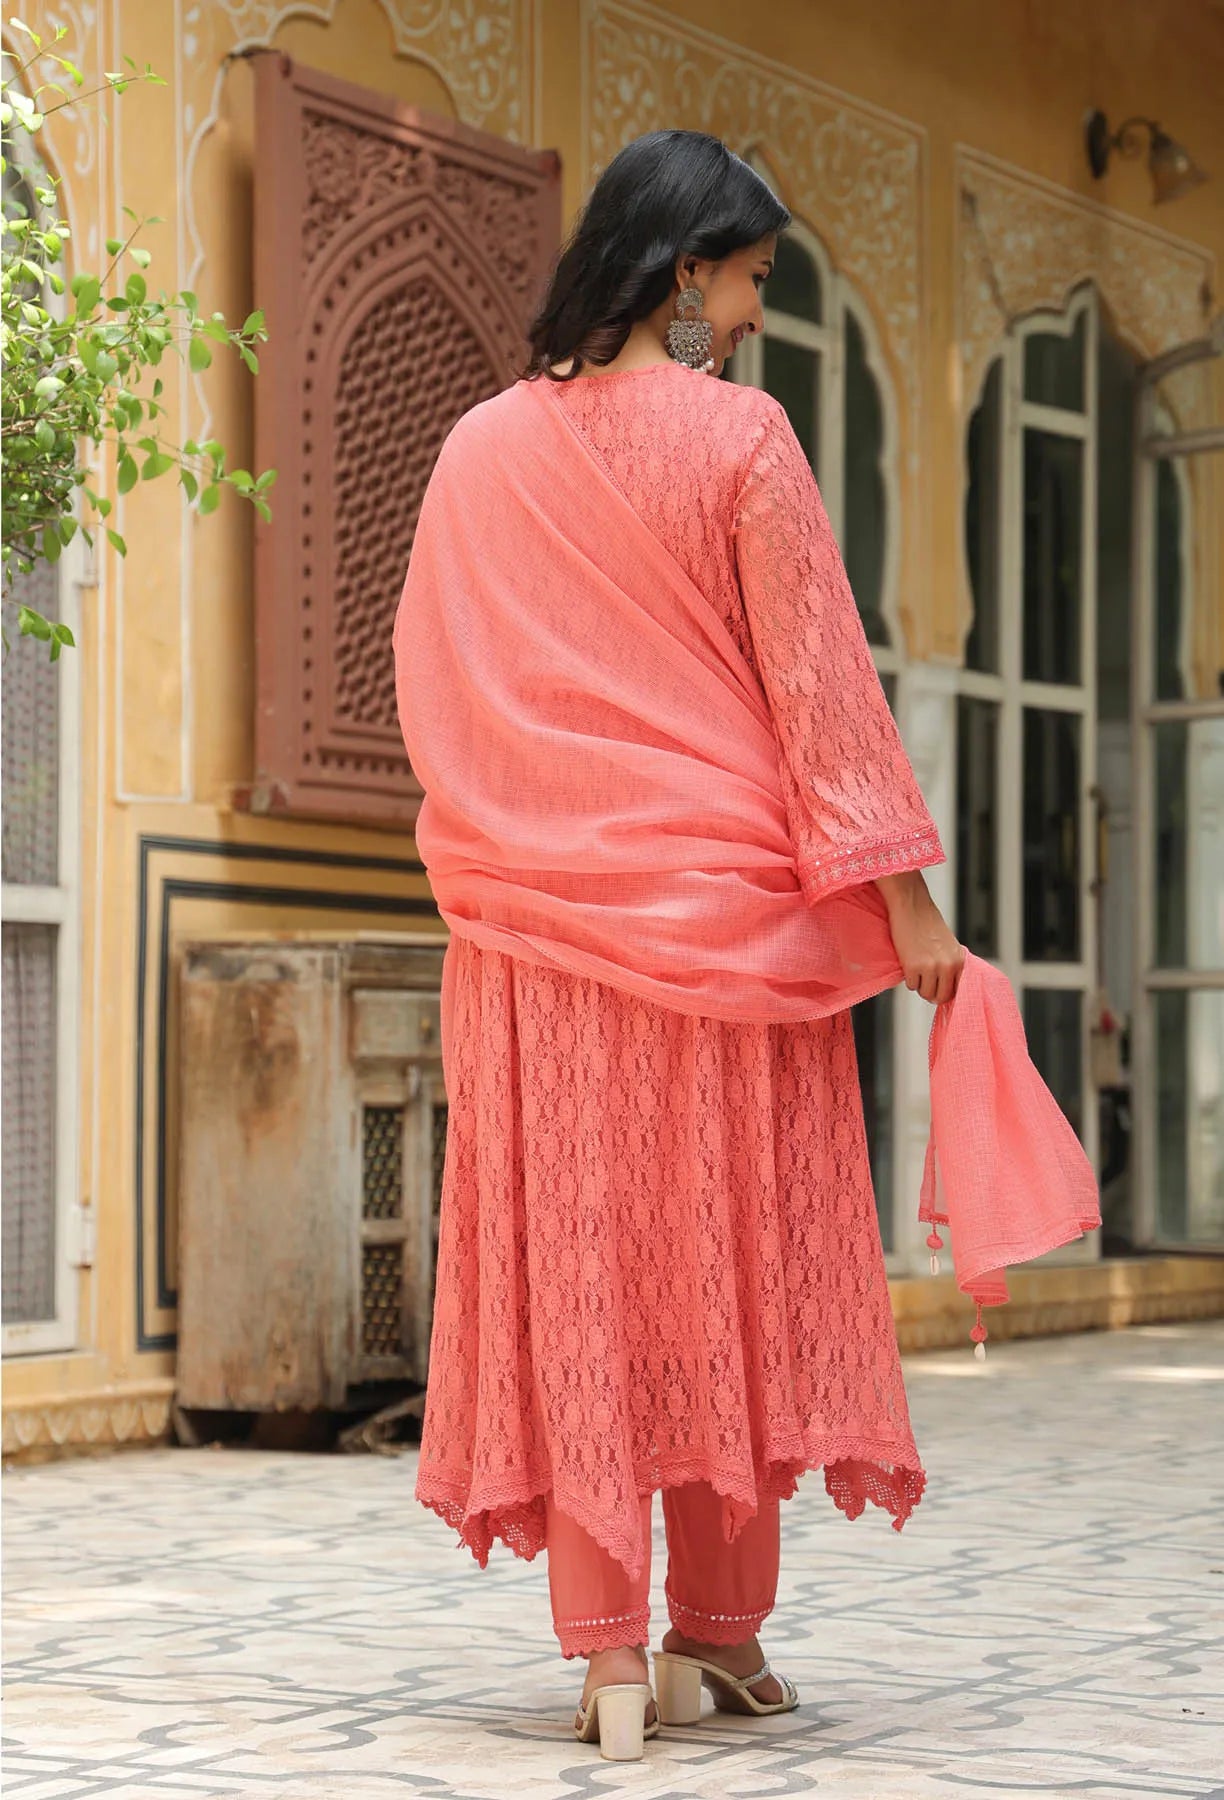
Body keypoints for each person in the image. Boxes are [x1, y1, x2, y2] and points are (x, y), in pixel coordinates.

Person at [394, 129, 966, 1761]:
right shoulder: (741, 436)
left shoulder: (476, 451)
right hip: (729, 931)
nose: (760, 313)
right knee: (718, 1271)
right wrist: (906, 909)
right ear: (684, 273)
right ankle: (716, 1632)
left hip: (536, 940)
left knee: (587, 1268)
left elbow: (429, 666)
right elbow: (820, 689)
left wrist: (525, 833)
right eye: (753, 278)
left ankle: (611, 1663)